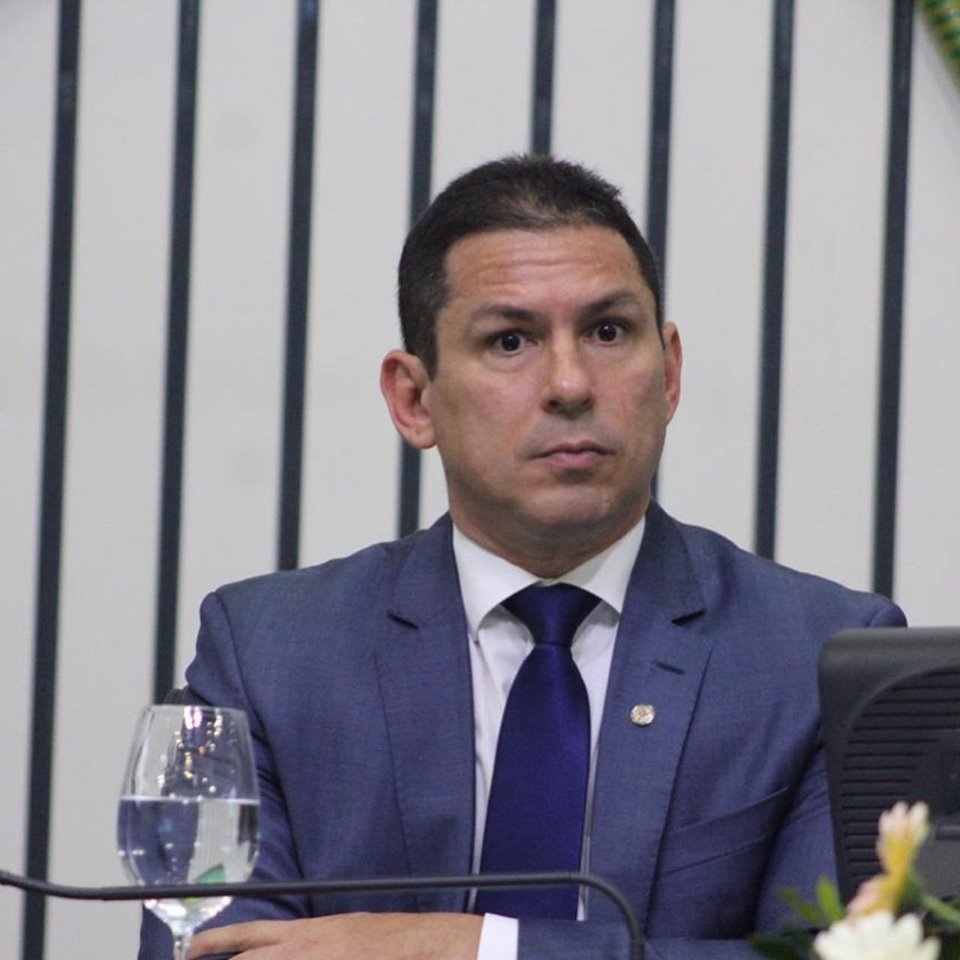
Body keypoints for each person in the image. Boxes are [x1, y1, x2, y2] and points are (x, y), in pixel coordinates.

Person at [139, 155, 905, 960]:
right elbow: (204, 950)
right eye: (510, 341)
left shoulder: (823, 658)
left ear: (670, 371)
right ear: (414, 399)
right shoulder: (263, 655)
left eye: (608, 332)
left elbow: (853, 956)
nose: (570, 384)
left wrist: (469, 950)